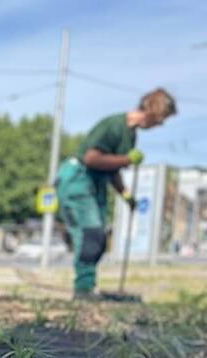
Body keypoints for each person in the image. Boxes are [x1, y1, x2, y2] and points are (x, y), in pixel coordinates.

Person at [56, 88, 177, 299]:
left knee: (99, 239)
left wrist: (126, 195)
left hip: (95, 182)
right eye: (162, 119)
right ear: (153, 111)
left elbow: (113, 171)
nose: (161, 124)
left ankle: (87, 286)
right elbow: (92, 158)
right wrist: (127, 160)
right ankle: (83, 289)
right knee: (90, 235)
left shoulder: (130, 136)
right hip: (78, 179)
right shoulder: (114, 125)